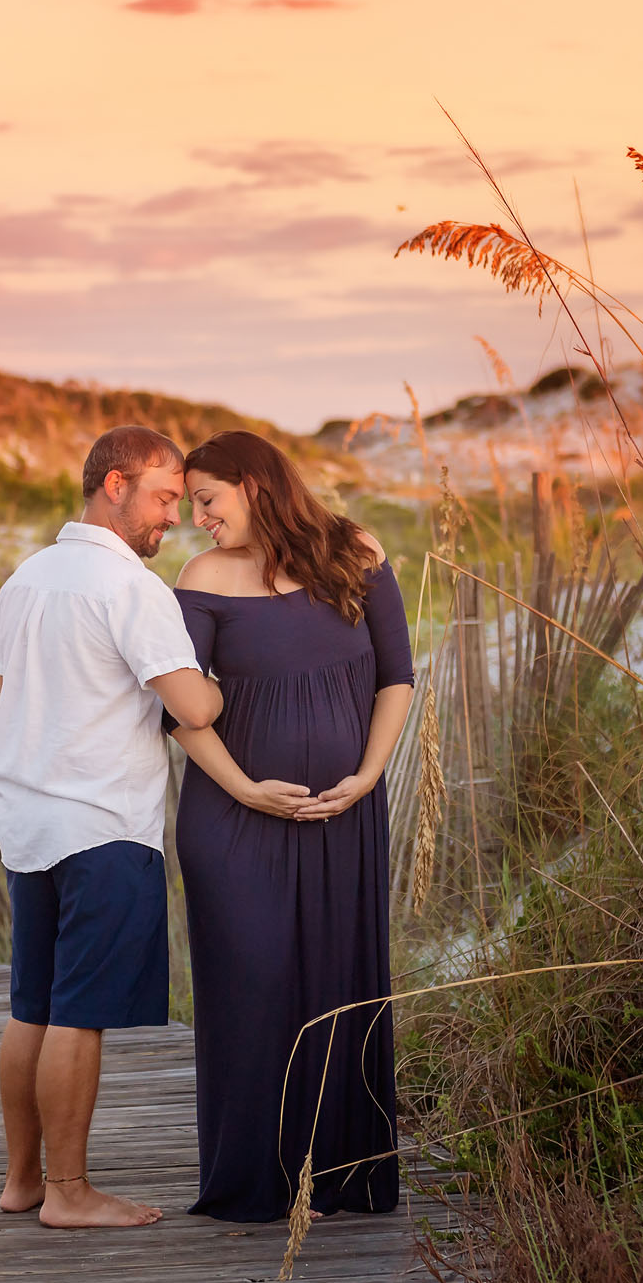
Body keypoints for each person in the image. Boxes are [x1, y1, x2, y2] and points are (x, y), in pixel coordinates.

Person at [166, 429, 415, 1224]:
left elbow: (397, 677)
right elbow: (180, 711)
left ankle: (340, 1177)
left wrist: (367, 776)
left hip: (344, 814)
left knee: (339, 986)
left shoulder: (353, 550)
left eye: (207, 498)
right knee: (255, 985)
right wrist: (247, 790)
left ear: (255, 483)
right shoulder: (202, 576)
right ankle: (256, 1182)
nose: (196, 517)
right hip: (234, 823)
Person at [0, 425, 223, 1229]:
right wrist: (215, 692)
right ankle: (69, 1191)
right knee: (78, 1013)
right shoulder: (129, 587)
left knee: (34, 1005)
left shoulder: (28, 576)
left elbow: (26, 684)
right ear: (114, 484)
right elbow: (192, 706)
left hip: (27, 815)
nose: (173, 519)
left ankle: (22, 1180)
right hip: (101, 821)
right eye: (163, 497)